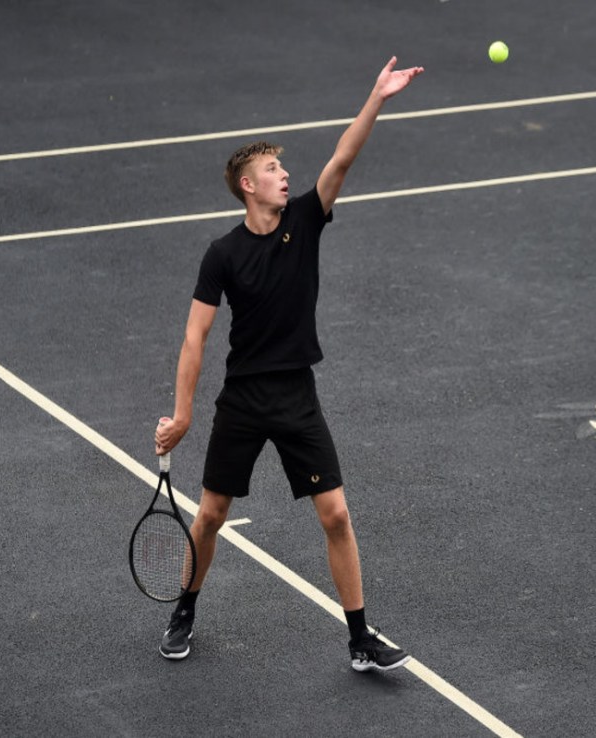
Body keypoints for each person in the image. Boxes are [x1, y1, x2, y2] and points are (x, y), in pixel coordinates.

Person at [153, 57, 424, 670]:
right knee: (213, 515)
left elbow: (343, 158)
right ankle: (184, 611)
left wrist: (377, 97)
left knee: (336, 513)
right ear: (247, 185)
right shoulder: (221, 253)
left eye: (282, 168)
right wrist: (183, 415)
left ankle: (360, 638)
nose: (285, 176)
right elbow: (195, 337)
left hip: (297, 394)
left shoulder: (304, 219)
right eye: (273, 170)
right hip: (243, 400)